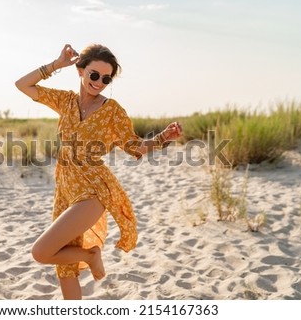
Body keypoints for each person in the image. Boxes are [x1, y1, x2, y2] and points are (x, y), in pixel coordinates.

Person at [15, 43, 182, 299]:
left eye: (106, 78)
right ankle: (88, 261)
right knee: (65, 269)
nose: (99, 82)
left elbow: (134, 147)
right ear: (80, 71)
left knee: (41, 251)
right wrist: (57, 65)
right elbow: (22, 85)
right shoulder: (65, 101)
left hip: (93, 190)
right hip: (65, 190)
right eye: (94, 75)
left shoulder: (112, 111)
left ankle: (91, 255)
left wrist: (162, 138)